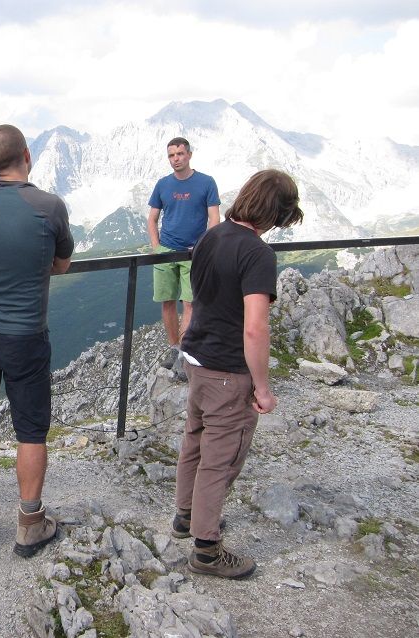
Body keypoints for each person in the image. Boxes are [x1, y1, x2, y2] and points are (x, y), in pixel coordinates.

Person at [172, 169, 303, 578]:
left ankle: (186, 516)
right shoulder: (257, 253)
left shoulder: (211, 235)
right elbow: (255, 327)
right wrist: (262, 388)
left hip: (196, 358)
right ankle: (207, 549)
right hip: (229, 370)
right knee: (221, 458)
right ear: (277, 213)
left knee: (194, 441)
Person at [0, 124, 74, 557]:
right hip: (24, 335)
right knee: (31, 431)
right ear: (27, 153)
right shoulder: (49, 206)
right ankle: (29, 524)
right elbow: (60, 264)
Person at [147, 137, 220, 372]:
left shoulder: (206, 182)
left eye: (179, 154)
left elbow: (215, 219)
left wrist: (203, 246)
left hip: (193, 253)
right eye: (171, 155)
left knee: (189, 302)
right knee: (167, 301)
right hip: (166, 250)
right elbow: (152, 218)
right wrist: (156, 246)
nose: (175, 159)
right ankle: (174, 348)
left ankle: (184, 352)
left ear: (189, 155)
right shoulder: (162, 184)